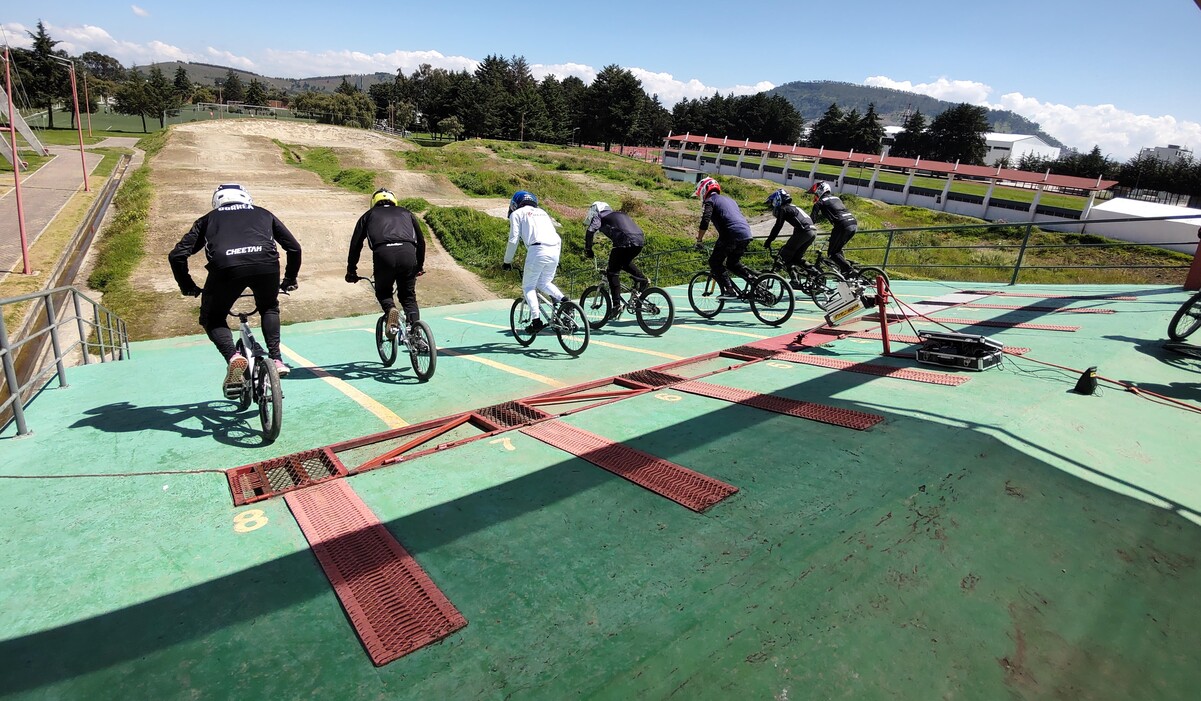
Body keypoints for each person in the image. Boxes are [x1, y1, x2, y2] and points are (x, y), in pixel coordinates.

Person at [168, 183, 302, 396]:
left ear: (216, 201)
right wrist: (289, 279)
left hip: (226, 268)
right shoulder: (264, 213)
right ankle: (276, 359)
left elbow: (177, 255)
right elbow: (294, 248)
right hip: (266, 264)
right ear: (246, 197)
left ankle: (233, 357)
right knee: (269, 307)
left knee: (213, 318)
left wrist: (188, 286)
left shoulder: (208, 219)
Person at [345, 188, 426, 336]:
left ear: (373, 202)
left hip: (383, 255)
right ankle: (417, 335)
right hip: (408, 254)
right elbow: (421, 241)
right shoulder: (406, 213)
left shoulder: (368, 215)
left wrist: (351, 271)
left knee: (383, 292)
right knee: (408, 296)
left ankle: (390, 310)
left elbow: (355, 245)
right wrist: (419, 266)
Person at [503, 190, 565, 333]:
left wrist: (507, 261)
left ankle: (536, 321)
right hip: (555, 248)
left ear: (515, 204)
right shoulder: (542, 212)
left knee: (528, 287)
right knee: (544, 283)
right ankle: (565, 301)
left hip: (537, 249)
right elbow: (554, 234)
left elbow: (513, 240)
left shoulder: (516, 214)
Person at [693, 176, 754, 300]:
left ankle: (729, 290)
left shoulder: (710, 201)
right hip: (746, 233)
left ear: (704, 190)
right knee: (732, 263)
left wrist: (699, 240)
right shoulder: (730, 200)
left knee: (714, 262)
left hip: (730, 234)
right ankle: (755, 281)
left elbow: (705, 221)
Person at [584, 201, 648, 314]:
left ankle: (616, 305)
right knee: (624, 262)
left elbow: (590, 231)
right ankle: (642, 279)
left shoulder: (599, 216)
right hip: (640, 239)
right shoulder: (619, 214)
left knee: (612, 272)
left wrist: (588, 249)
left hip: (624, 241)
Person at [764, 188, 818, 283]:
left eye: (772, 202)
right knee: (796, 258)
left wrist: (769, 240)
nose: (772, 205)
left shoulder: (783, 208)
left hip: (803, 231)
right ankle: (815, 272)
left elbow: (778, 226)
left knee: (784, 255)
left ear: (778, 199)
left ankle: (794, 280)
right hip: (812, 231)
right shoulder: (794, 207)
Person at [809, 181, 859, 275]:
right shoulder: (837, 198)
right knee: (838, 249)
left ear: (820, 191)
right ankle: (846, 271)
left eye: (815, 193)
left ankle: (849, 270)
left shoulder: (819, 202)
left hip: (842, 225)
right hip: (853, 223)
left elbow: (812, 220)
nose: (815, 196)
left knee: (832, 253)